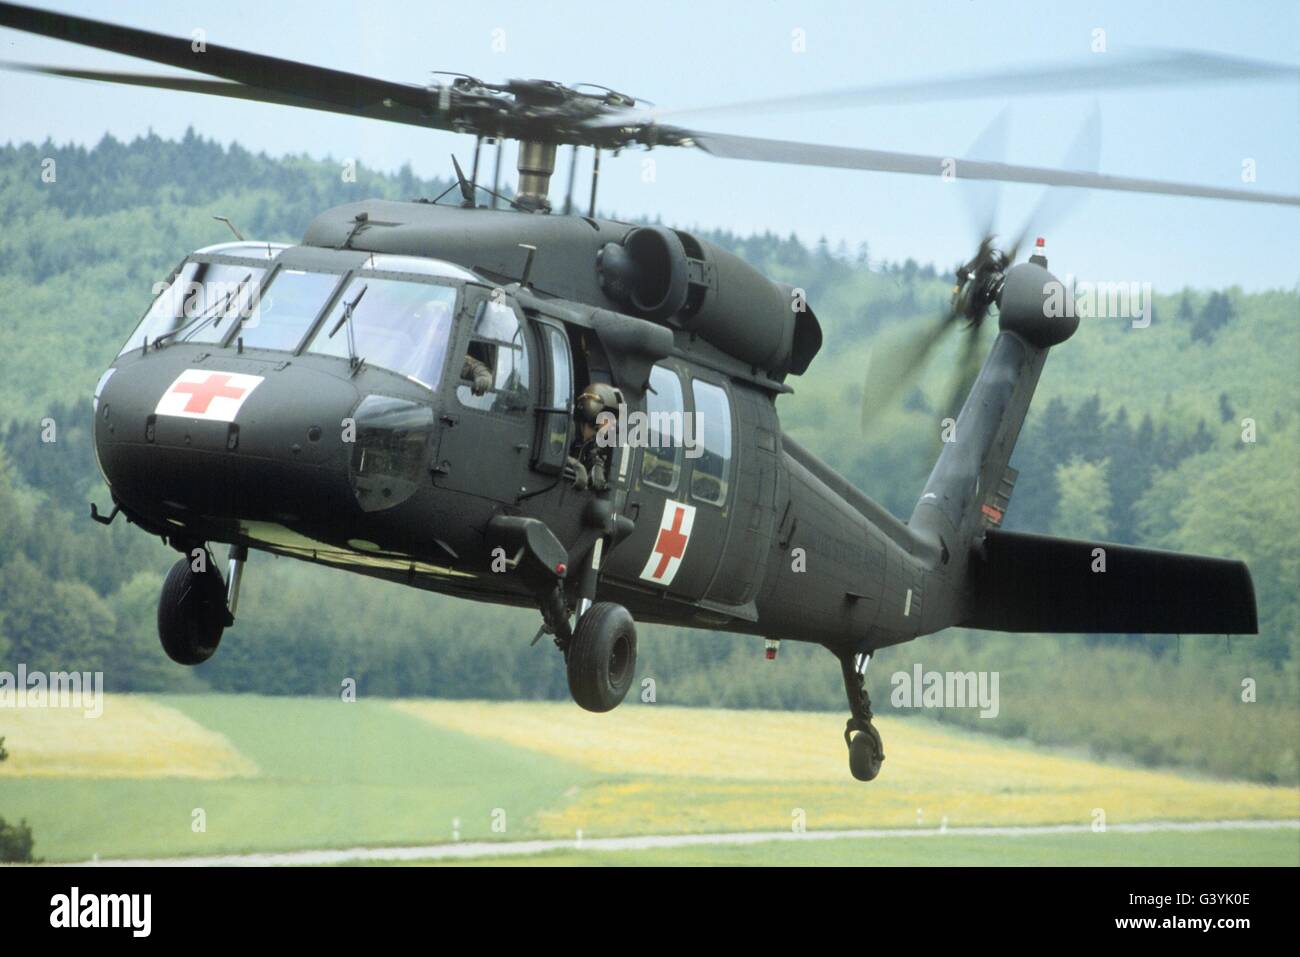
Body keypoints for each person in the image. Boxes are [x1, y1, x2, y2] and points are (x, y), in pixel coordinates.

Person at [566, 382, 622, 491]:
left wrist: (597, 466)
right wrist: (574, 465)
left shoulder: (591, 441)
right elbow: (552, 454)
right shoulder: (568, 429)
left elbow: (593, 455)